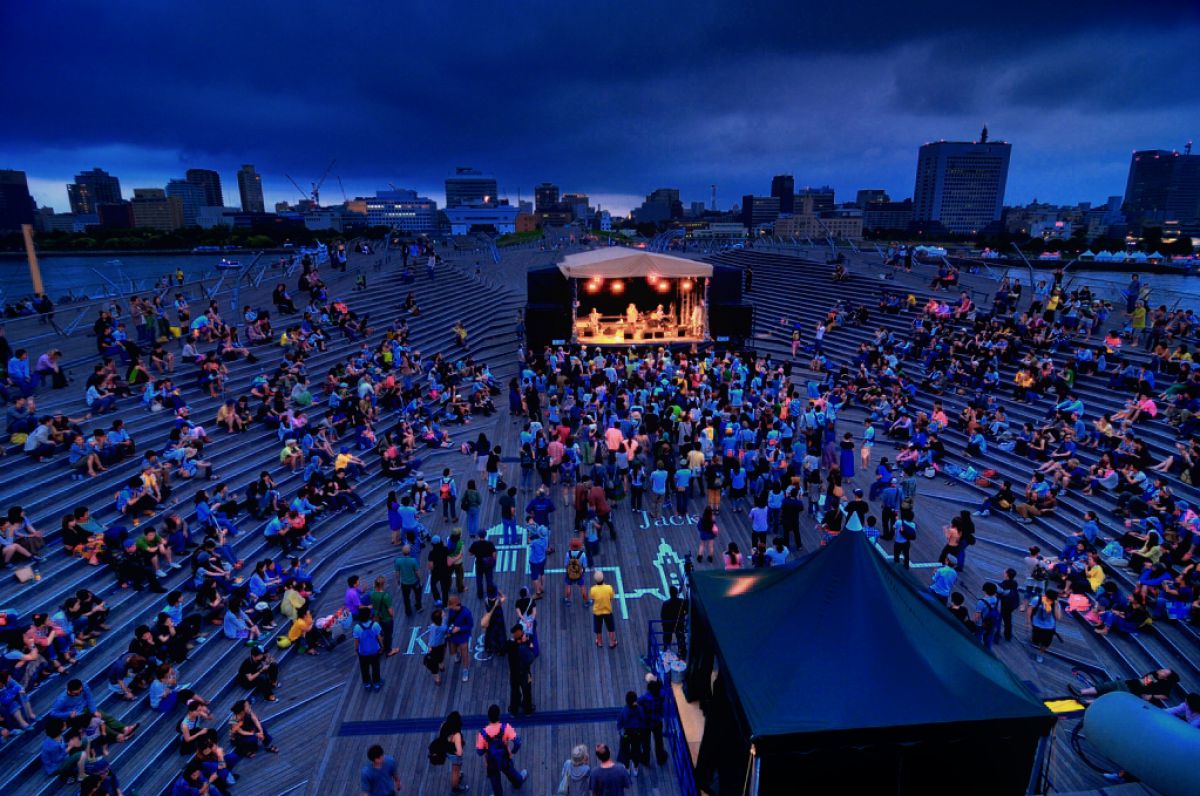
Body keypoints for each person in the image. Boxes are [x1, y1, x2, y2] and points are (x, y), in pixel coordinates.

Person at [475, 704, 527, 794]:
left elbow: (479, 752)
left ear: (488, 717)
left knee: (496, 783)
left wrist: (486, 749)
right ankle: (518, 782)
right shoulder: (506, 727)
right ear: (499, 715)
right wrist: (513, 751)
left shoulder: (482, 733)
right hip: (505, 758)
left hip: (491, 762)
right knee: (511, 773)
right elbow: (518, 742)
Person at [503, 622, 537, 716]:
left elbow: (504, 647)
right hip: (524, 673)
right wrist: (526, 644)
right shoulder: (523, 646)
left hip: (514, 673)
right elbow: (531, 657)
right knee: (526, 691)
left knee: (515, 691)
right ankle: (527, 709)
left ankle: (514, 710)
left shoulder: (510, 644)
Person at [617, 690, 648, 777]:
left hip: (626, 733)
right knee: (636, 750)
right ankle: (635, 767)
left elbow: (619, 723)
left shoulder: (623, 711)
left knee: (624, 751)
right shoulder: (640, 710)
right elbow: (643, 721)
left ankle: (627, 767)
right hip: (637, 733)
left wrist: (621, 732)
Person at [436, 711, 470, 793]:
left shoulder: (444, 725)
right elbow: (459, 752)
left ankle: (457, 776)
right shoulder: (456, 735)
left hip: (447, 750)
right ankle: (456, 787)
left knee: (456, 769)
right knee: (455, 770)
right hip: (454, 754)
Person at [639, 674, 668, 765]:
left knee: (646, 743)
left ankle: (645, 759)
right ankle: (661, 758)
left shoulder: (644, 698)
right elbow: (662, 688)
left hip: (646, 722)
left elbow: (638, 704)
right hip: (657, 721)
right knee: (659, 741)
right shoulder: (662, 694)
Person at [352, 606, 384, 691]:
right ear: (369, 615)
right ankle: (376, 683)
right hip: (374, 651)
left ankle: (367, 684)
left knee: (364, 669)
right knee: (375, 667)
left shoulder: (357, 627)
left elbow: (356, 641)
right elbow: (379, 637)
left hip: (363, 652)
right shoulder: (375, 625)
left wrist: (356, 650)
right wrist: (382, 647)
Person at [1027, 588, 1061, 663]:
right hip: (1036, 625)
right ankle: (1034, 640)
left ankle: (1040, 654)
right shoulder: (1037, 599)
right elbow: (1030, 609)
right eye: (1048, 599)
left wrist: (1055, 605)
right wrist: (1029, 622)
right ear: (1045, 596)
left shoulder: (1056, 604)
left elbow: (1058, 617)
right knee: (1035, 640)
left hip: (1049, 628)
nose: (1050, 601)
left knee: (1045, 643)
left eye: (1052, 600)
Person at [446, 594, 474, 683]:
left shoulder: (466, 613)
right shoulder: (451, 611)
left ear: (455, 604)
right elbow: (449, 621)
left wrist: (460, 629)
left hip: (463, 635)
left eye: (450, 605)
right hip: (454, 634)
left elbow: (470, 625)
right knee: (453, 650)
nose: (449, 607)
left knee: (465, 653)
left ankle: (465, 670)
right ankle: (458, 653)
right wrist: (449, 630)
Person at [393, 545, 423, 616]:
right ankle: (418, 607)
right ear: (409, 551)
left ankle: (408, 611)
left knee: (406, 597)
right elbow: (417, 572)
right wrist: (420, 580)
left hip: (404, 583)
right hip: (414, 581)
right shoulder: (413, 560)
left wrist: (398, 581)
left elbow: (397, 572)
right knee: (417, 594)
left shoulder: (398, 561)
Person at [590, 571, 617, 648]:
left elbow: (593, 599)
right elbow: (611, 597)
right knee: (610, 628)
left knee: (598, 628)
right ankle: (612, 642)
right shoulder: (609, 588)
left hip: (597, 612)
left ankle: (599, 642)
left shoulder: (593, 590)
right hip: (607, 610)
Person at [659, 585, 688, 656]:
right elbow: (687, 610)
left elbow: (663, 615)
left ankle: (666, 651)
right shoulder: (681, 602)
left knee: (667, 638)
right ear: (676, 593)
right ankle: (682, 652)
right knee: (680, 638)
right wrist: (683, 615)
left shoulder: (666, 604)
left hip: (668, 625)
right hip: (679, 623)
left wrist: (664, 624)